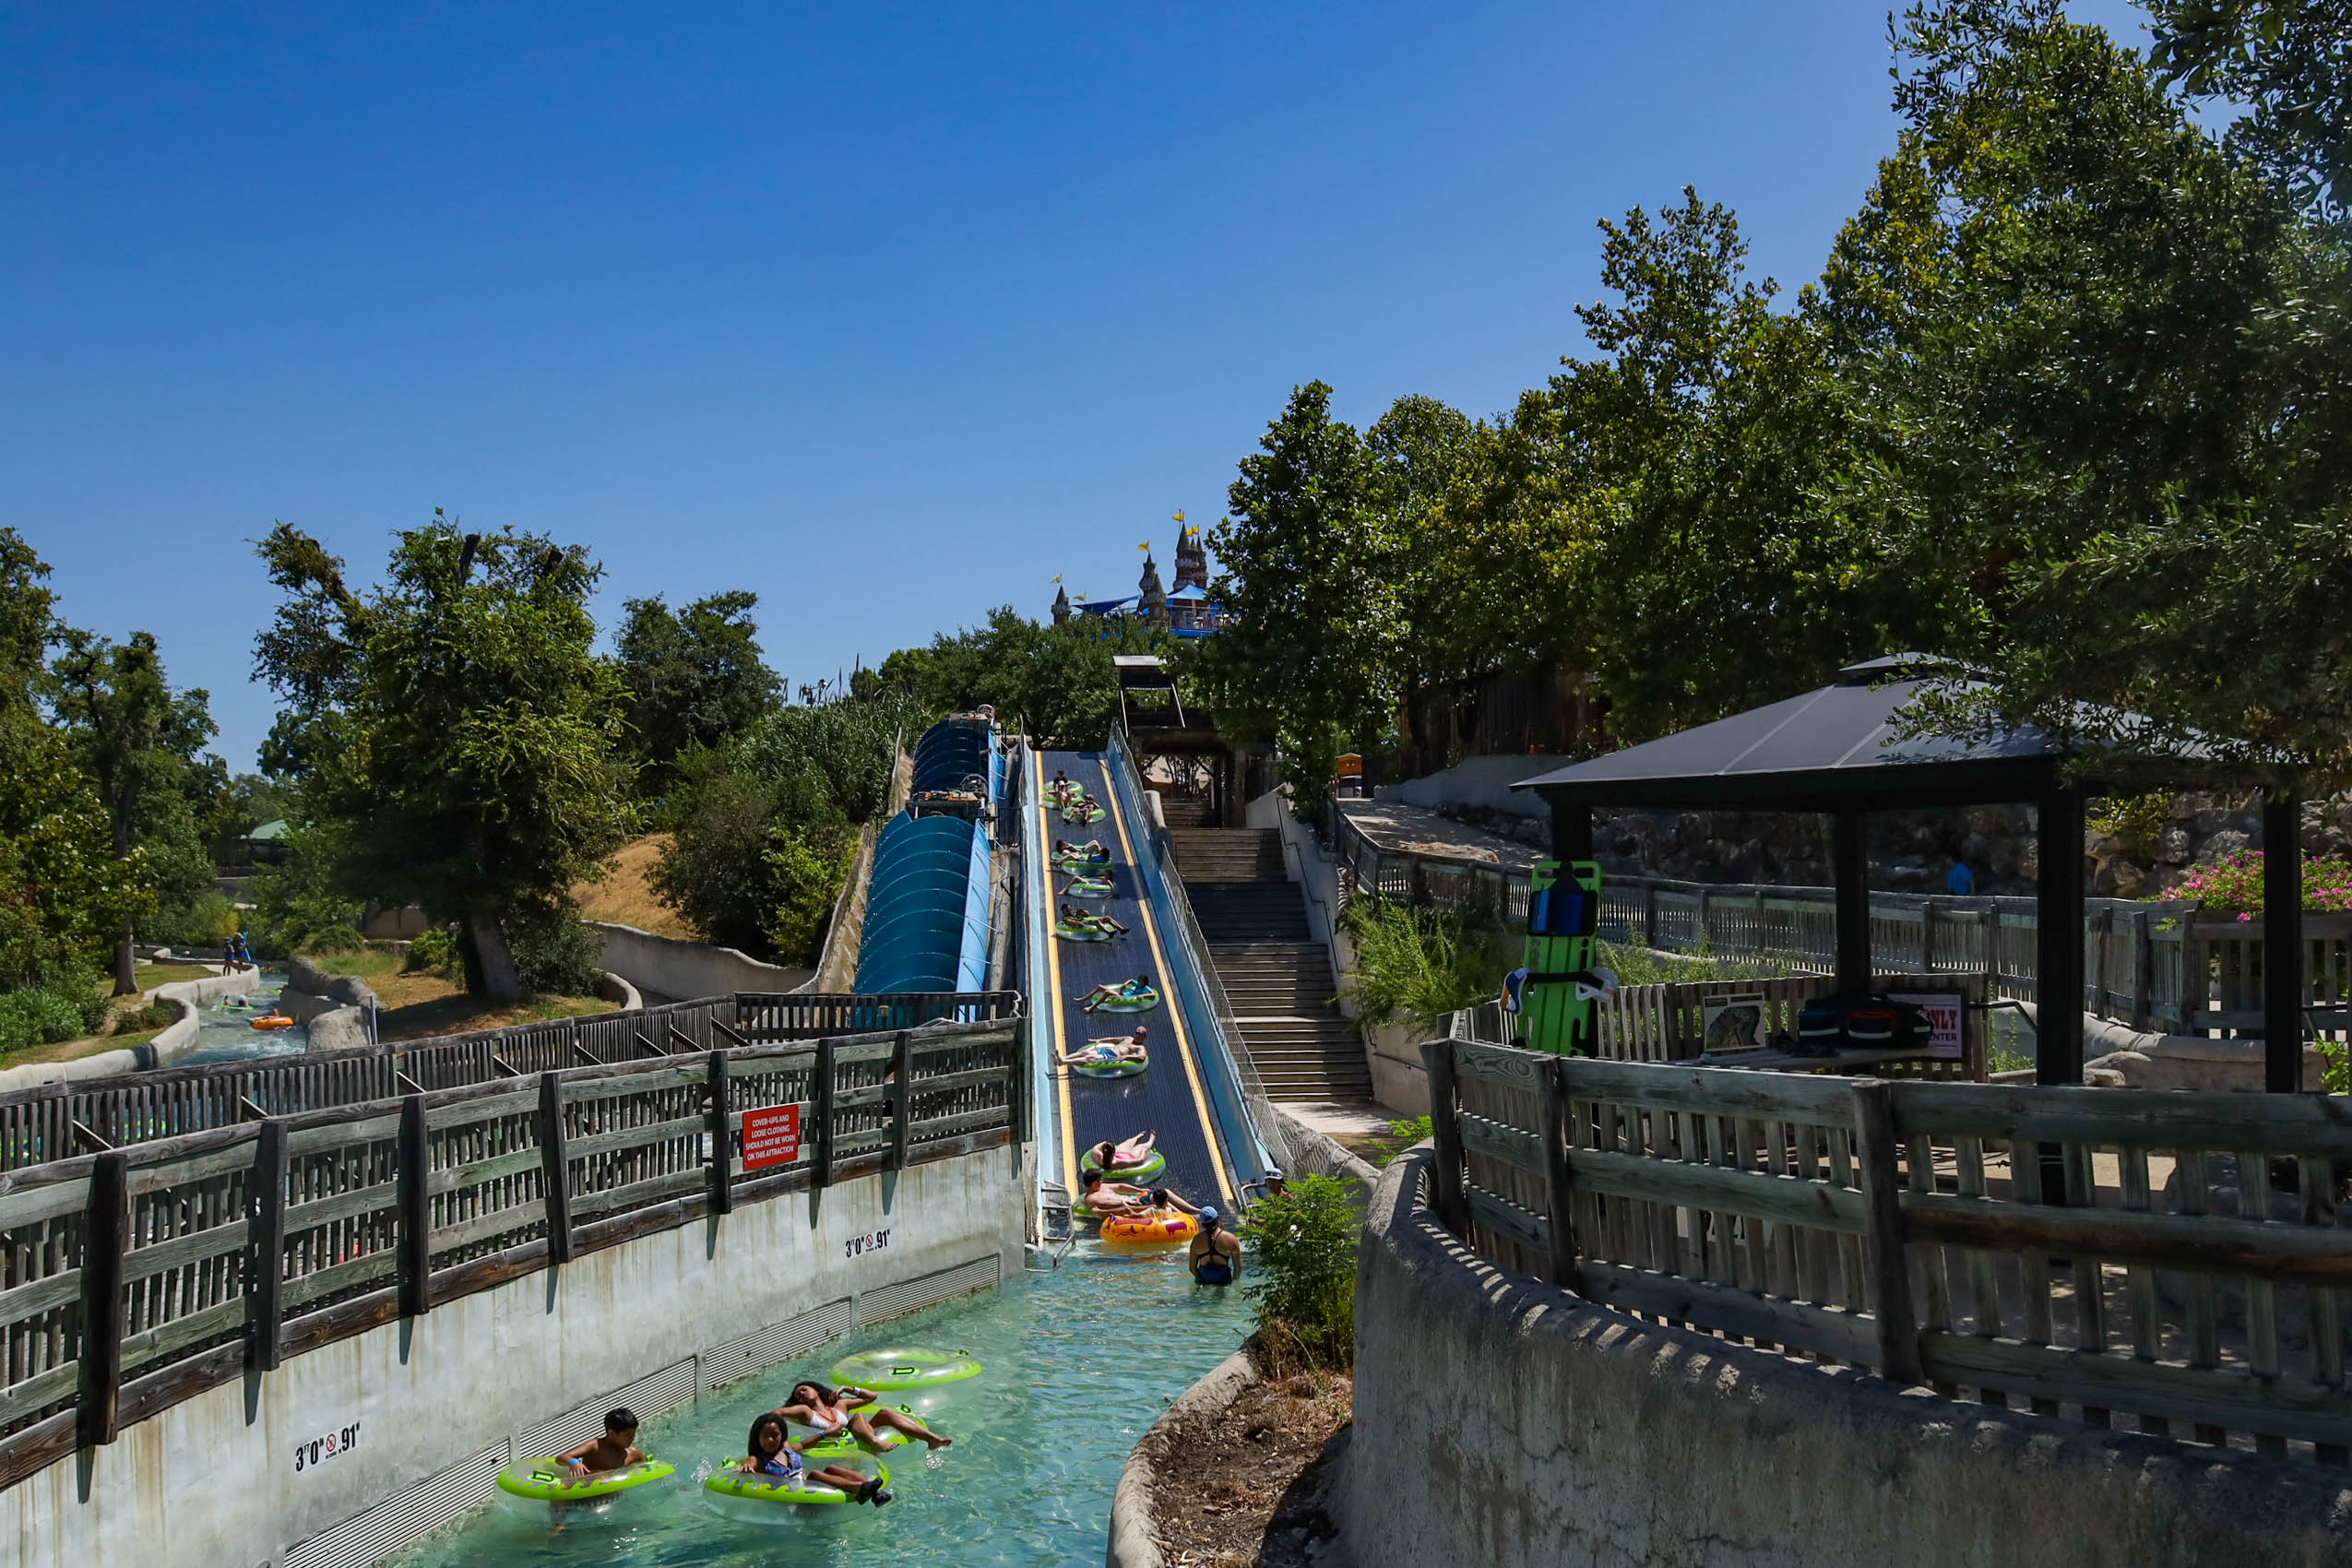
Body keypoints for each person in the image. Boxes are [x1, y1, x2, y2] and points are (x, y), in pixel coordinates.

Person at [741, 1411, 890, 1505]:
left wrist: (827, 1432)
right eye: (765, 1436)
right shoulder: (759, 1459)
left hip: (810, 1492)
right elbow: (750, 1463)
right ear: (757, 1437)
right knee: (814, 1475)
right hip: (794, 1501)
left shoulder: (787, 1447)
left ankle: (875, 1492)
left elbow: (805, 1444)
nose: (771, 1440)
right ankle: (860, 1489)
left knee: (831, 1469)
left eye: (775, 1435)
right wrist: (747, 1464)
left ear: (782, 1434)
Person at [777, 1380, 952, 1452]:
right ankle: (876, 1443)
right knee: (859, 1416)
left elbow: (872, 1397)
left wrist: (847, 1389)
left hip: (857, 1435)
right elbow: (777, 1413)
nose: (802, 1394)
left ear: (816, 1389)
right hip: (836, 1445)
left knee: (884, 1413)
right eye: (798, 1395)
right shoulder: (805, 1412)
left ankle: (932, 1439)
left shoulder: (840, 1405)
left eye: (804, 1389)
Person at [557, 1408, 647, 1479]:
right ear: (612, 1433)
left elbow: (648, 1467)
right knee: (600, 1475)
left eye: (634, 1433)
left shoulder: (634, 1454)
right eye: (627, 1435)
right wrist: (573, 1462)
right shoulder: (595, 1446)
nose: (633, 1438)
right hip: (586, 1492)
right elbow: (561, 1457)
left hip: (613, 1495)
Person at [1079, 1166, 1201, 1218]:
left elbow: (1121, 1186)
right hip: (1134, 1203)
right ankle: (1187, 1217)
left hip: (1136, 1198)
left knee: (1166, 1192)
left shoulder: (1102, 1187)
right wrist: (1128, 1204)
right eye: (1099, 1180)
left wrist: (1141, 1190)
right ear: (1094, 1183)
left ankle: (1195, 1210)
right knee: (1165, 1203)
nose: (1102, 1182)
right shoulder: (1092, 1199)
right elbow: (1110, 1206)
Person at [1189, 1206, 1241, 1286]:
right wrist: (1232, 1283)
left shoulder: (1196, 1240)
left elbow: (1192, 1268)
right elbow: (1238, 1269)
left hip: (1204, 1281)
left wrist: (1200, 1279)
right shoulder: (1231, 1239)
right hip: (1224, 1282)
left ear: (1203, 1224)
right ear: (1218, 1220)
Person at [1059, 1026, 1147, 1067]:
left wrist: (1127, 1057)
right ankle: (1063, 1058)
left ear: (1143, 1036)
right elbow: (1113, 1039)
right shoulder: (1128, 1038)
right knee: (1084, 1053)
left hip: (1113, 1056)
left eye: (1139, 1034)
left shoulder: (1140, 1048)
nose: (1136, 1035)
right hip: (1107, 1051)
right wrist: (1100, 1040)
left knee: (1090, 1058)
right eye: (1136, 1033)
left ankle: (1063, 1062)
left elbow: (1142, 1057)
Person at [1075, 974, 1153, 1013]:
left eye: (1141, 981)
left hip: (1125, 998)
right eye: (1139, 981)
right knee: (1099, 987)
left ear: (1145, 982)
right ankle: (1083, 999)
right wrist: (1125, 984)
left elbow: (1153, 994)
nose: (1139, 982)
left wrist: (1142, 995)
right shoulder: (1138, 984)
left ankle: (1091, 1008)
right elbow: (1131, 980)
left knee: (1107, 992)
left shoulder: (1146, 988)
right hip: (1122, 994)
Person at [1087, 1130, 1157, 1170]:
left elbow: (1095, 1148)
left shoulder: (1100, 1156)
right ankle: (1151, 1140)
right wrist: (1143, 1151)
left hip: (1119, 1154)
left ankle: (1137, 1137)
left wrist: (1104, 1143)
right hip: (1129, 1157)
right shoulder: (1116, 1163)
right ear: (1113, 1152)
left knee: (1127, 1143)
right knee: (1141, 1147)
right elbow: (1140, 1161)